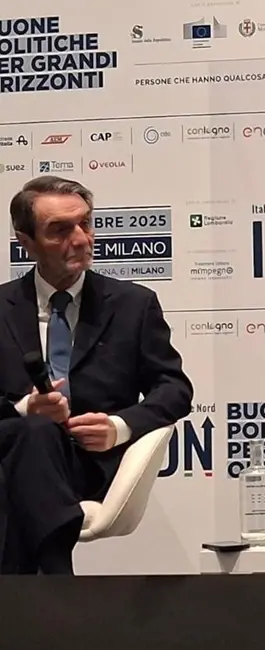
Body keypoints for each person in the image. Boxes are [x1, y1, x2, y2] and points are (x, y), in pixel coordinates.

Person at [0, 176, 193, 574]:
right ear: (26, 242)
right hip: (9, 451)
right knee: (33, 432)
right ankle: (53, 581)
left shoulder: (132, 305)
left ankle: (30, 588)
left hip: (85, 464)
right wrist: (24, 409)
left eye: (85, 224)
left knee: (32, 448)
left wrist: (119, 427)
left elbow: (174, 388)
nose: (81, 239)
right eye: (59, 230)